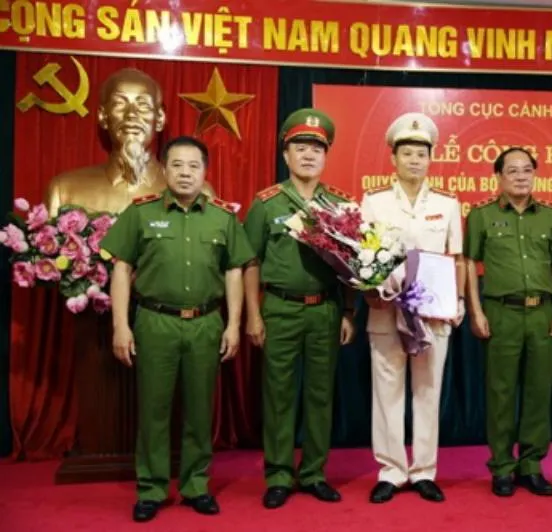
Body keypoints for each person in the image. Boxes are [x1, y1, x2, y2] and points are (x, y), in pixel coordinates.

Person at [101, 136, 255, 522]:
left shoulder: (222, 217)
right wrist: (121, 326)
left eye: (194, 166)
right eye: (177, 165)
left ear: (205, 172)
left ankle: (195, 485)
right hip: (156, 322)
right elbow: (121, 269)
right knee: (153, 410)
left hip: (205, 323)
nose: (186, 173)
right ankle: (151, 488)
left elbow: (234, 271)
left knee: (200, 410)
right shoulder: (140, 213)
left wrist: (233, 325)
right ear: (164, 169)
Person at [242, 108, 356, 510]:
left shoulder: (340, 205)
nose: (308, 155)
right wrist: (253, 314)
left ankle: (314, 473)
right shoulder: (266, 203)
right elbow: (250, 261)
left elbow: (352, 265)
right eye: (300, 147)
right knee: (278, 394)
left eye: (316, 149)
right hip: (280, 309)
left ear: (326, 156)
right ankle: (278, 474)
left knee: (321, 394)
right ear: (286, 155)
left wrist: (348, 312)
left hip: (325, 310)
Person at [361, 112, 466, 504]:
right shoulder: (374, 202)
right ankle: (390, 471)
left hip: (432, 314)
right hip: (387, 312)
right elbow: (363, 257)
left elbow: (457, 258)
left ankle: (423, 471)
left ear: (431, 158)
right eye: (407, 153)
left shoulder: (447, 204)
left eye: (422, 154)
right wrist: (372, 292)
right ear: (394, 157)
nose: (415, 160)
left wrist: (457, 301)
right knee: (386, 391)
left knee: (427, 390)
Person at [464, 147, 552, 498]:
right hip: (501, 312)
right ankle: (502, 466)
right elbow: (469, 264)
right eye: (512, 170)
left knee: (539, 391)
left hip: (542, 313)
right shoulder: (481, 216)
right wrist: (476, 311)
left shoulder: (551, 217)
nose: (521, 176)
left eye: (527, 170)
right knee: (501, 392)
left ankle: (532, 465)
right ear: (498, 177)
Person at [44, 67, 213, 217]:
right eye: (119, 104)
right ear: (103, 116)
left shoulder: (198, 193)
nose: (131, 114)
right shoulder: (65, 190)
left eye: (143, 105)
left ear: (160, 119)